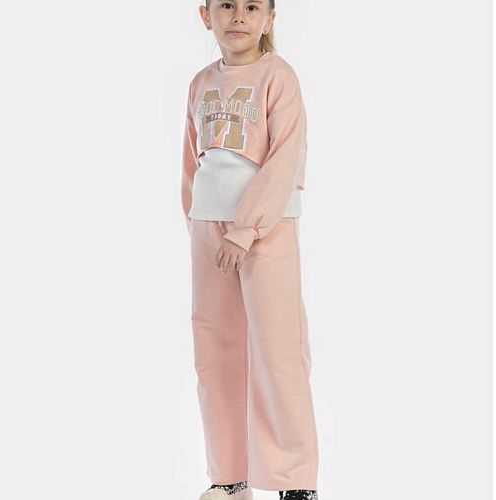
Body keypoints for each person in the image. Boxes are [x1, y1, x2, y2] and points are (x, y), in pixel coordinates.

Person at [181, 1, 319, 499]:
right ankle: (230, 477)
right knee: (215, 353)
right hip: (209, 231)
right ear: (206, 15)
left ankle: (294, 482)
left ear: (268, 18)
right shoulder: (200, 83)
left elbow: (286, 157)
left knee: (278, 351)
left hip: (266, 230)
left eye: (251, 7)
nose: (238, 16)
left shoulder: (278, 76)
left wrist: (244, 230)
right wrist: (198, 222)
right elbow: (190, 161)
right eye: (226, 5)